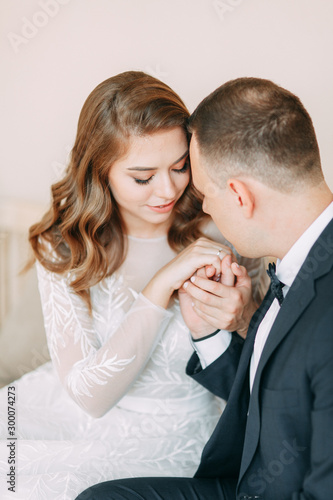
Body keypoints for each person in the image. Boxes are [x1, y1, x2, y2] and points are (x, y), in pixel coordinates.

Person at [0, 72, 267, 500]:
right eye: (143, 177)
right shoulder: (65, 246)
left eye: (180, 167)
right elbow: (91, 398)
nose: (168, 190)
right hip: (75, 418)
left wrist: (243, 315)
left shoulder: (229, 229)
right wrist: (161, 285)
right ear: (100, 171)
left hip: (185, 435)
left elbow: (268, 357)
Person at [77, 77, 333, 500]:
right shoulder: (296, 259)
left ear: (239, 195)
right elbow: (276, 394)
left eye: (203, 192)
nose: (202, 207)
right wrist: (220, 328)